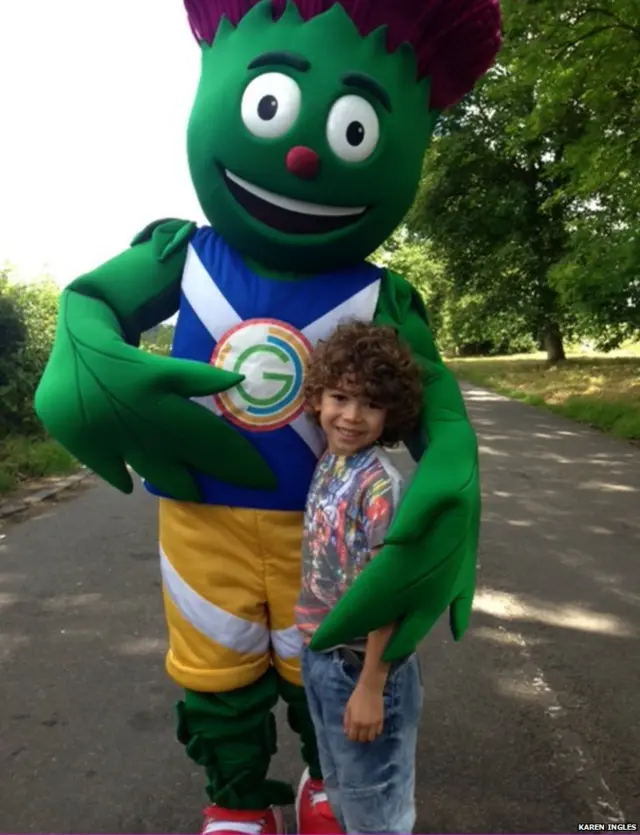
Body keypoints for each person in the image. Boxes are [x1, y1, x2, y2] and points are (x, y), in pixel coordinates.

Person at [296, 320, 425, 834]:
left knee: (377, 810)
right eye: (340, 397)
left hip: (364, 668)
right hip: (322, 655)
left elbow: (391, 593)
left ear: (391, 413)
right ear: (319, 398)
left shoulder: (380, 486)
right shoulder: (331, 459)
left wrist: (372, 684)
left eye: (370, 404)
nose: (351, 416)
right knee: (342, 789)